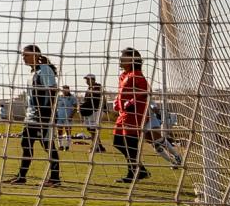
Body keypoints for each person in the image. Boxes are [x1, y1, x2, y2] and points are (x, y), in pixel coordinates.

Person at [7, 44, 61, 187]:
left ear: (36, 55)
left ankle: (55, 178)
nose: (23, 57)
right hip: (31, 116)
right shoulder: (33, 72)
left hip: (43, 115)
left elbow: (53, 91)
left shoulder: (45, 69)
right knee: (26, 144)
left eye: (26, 54)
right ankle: (21, 176)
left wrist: (47, 112)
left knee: (48, 145)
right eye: (23, 55)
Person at [111, 47, 153, 183]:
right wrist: (117, 102)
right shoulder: (124, 75)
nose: (121, 58)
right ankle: (139, 170)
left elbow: (147, 92)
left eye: (124, 56)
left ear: (132, 60)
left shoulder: (137, 75)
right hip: (123, 114)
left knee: (130, 144)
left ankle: (133, 173)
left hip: (134, 114)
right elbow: (121, 93)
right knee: (118, 142)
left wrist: (132, 102)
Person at [145, 98, 185, 170]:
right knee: (155, 146)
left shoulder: (146, 97)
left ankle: (177, 156)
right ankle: (173, 162)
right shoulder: (127, 97)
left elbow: (154, 108)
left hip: (151, 122)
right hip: (142, 125)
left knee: (159, 141)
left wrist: (156, 110)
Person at [77, 74, 107, 153]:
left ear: (93, 79)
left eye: (88, 79)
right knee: (91, 129)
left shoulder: (97, 87)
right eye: (86, 79)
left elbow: (95, 100)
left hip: (96, 110)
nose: (86, 81)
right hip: (91, 111)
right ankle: (99, 146)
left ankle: (96, 147)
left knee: (93, 130)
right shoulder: (90, 88)